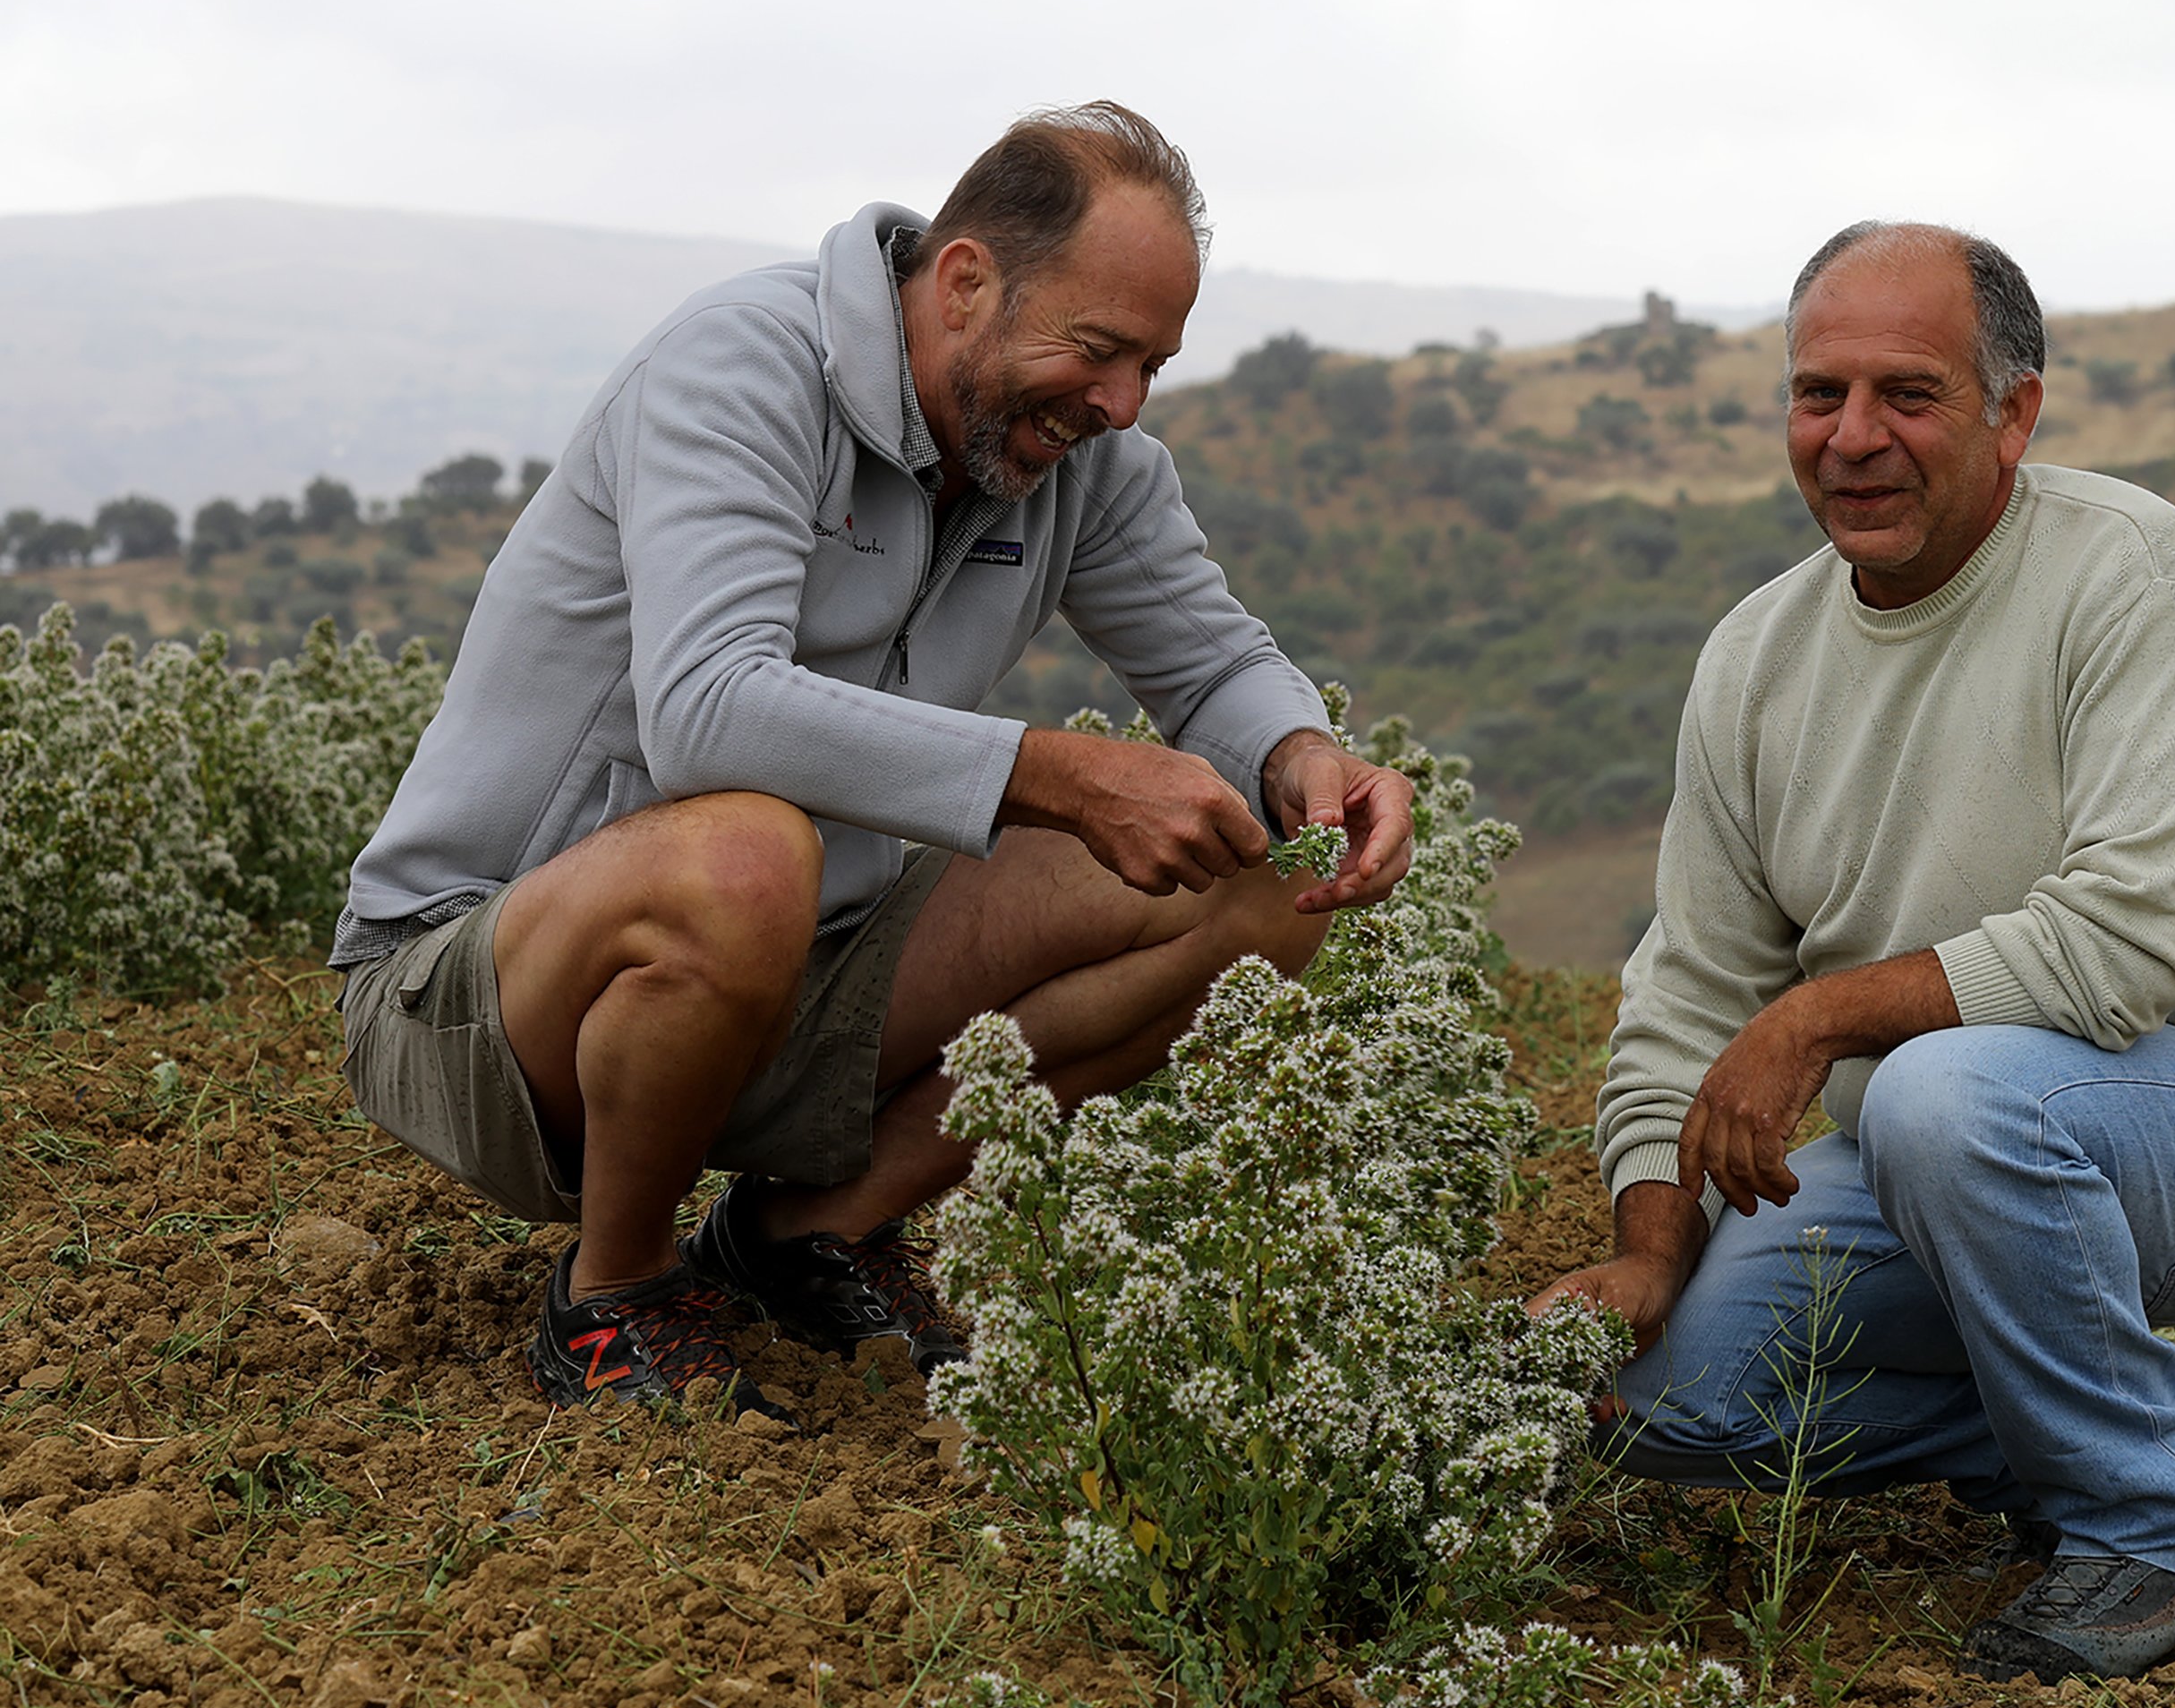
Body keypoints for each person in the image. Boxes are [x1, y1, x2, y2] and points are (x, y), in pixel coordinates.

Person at [335, 103, 1416, 1412]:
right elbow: (709, 711)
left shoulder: (1087, 460)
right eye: (1097, 350)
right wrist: (1059, 773)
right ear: (963, 281)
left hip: (793, 970)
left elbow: (1213, 663)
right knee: (745, 850)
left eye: (1152, 367)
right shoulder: (741, 367)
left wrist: (1304, 756)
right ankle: (614, 1294)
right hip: (483, 998)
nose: (1122, 404)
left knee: (1251, 883)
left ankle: (807, 1231)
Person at [1526, 222, 2175, 1682]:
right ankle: (2062, 1402)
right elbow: (1690, 985)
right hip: (1960, 1147)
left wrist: (1819, 1019)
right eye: (1821, 395)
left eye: (1909, 395)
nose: (1853, 438)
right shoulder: (1755, 657)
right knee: (1659, 1401)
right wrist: (1643, 1250)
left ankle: (2152, 1521)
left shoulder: (2139, 578)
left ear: (2016, 413)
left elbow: (2128, 949)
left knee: (1940, 1094)